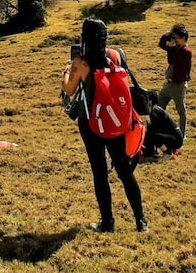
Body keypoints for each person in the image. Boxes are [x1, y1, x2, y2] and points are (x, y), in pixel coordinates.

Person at [62, 18, 147, 233]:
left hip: (91, 124)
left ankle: (108, 223)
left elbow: (69, 90)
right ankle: (141, 221)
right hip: (118, 122)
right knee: (125, 171)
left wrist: (66, 72)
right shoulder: (116, 55)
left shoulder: (80, 63)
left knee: (100, 173)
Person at [158, 23, 192, 139]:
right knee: (159, 106)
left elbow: (174, 61)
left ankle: (182, 134)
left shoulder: (186, 52)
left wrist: (171, 49)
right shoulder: (177, 48)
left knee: (181, 110)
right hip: (169, 83)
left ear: (183, 38)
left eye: (177, 38)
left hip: (178, 85)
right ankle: (160, 129)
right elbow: (161, 44)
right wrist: (168, 35)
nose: (175, 40)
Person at [143, 90, 184, 158]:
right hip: (171, 136)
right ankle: (151, 153)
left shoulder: (155, 111)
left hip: (175, 139)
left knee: (151, 135)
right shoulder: (154, 110)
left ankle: (167, 152)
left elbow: (153, 131)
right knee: (150, 135)